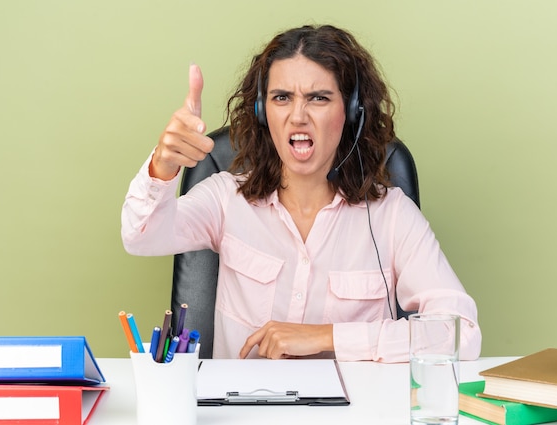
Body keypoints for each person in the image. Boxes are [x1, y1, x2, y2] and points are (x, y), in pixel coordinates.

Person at [121, 24, 482, 363]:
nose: (298, 116)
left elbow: (461, 334)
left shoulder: (391, 215)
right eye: (281, 97)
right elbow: (139, 237)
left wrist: (328, 337)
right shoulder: (225, 198)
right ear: (263, 112)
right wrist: (163, 167)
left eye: (318, 98)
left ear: (351, 112)